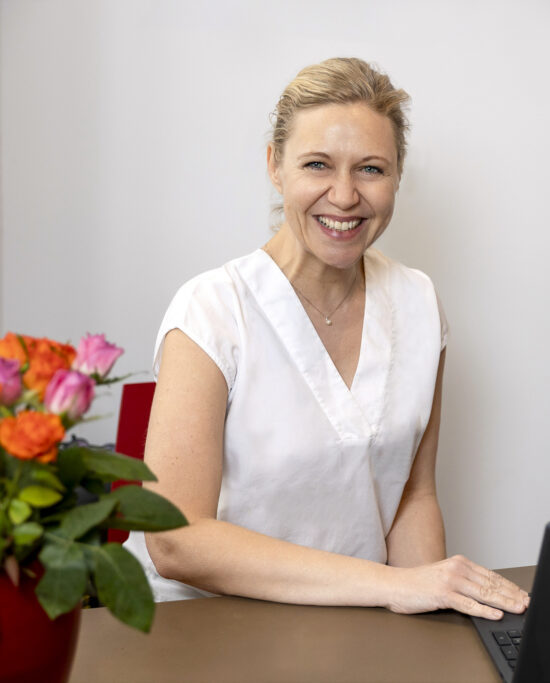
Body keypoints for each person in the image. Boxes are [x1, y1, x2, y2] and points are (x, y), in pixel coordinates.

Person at [124, 58, 528, 620]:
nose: (343, 196)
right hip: (204, 626)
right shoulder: (213, 309)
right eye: (317, 164)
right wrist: (392, 586)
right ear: (275, 165)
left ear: (397, 176)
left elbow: (412, 496)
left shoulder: (418, 302)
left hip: (353, 622)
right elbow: (174, 538)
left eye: (371, 169)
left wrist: (431, 613)